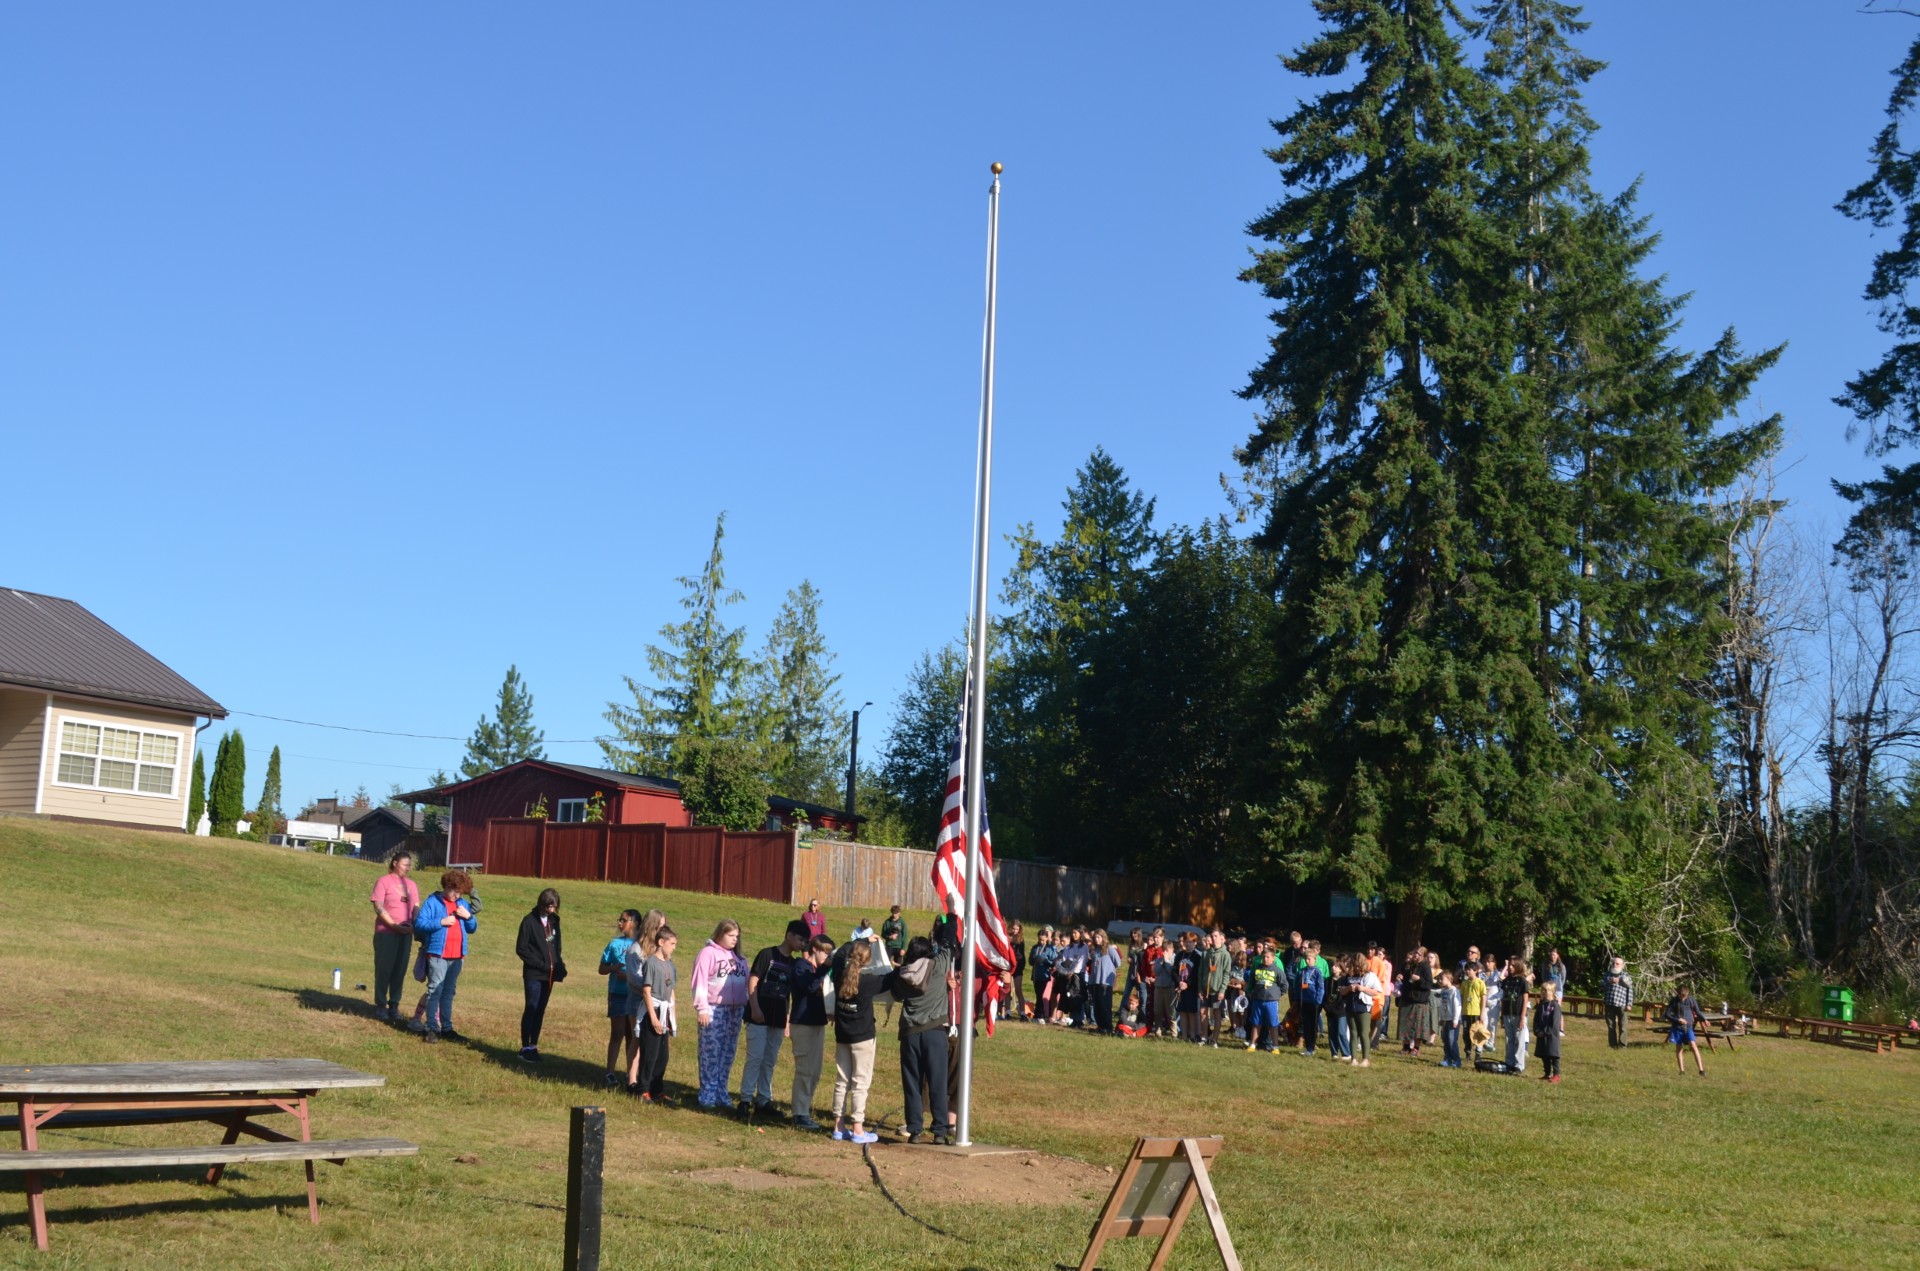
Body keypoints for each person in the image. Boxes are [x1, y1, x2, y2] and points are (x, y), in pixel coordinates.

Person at [885, 935, 956, 1145]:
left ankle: (915, 1130)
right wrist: (950, 916)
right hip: (934, 1032)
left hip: (909, 1034)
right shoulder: (937, 966)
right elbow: (949, 945)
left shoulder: (903, 974)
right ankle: (940, 1131)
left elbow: (896, 995)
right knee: (937, 1082)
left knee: (912, 1083)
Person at [741, 920, 808, 1115]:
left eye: (805, 941)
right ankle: (745, 1101)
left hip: (778, 1018)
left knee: (769, 1061)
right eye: (800, 939)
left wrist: (786, 1020)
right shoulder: (767, 954)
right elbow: (753, 980)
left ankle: (763, 1101)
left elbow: (788, 994)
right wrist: (754, 1008)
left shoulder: (794, 964)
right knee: (755, 1058)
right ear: (789, 935)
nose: (802, 944)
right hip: (758, 1016)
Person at [831, 935, 889, 1143]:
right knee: (860, 1082)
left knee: (842, 1081)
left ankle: (838, 1126)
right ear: (867, 961)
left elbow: (838, 954)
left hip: (842, 1035)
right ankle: (857, 1128)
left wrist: (862, 939)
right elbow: (892, 978)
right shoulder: (869, 981)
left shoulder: (838, 974)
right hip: (863, 1037)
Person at [691, 919, 749, 1109]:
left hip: (735, 1010)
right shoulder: (707, 954)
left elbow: (747, 984)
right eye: (730, 935)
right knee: (711, 1052)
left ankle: (721, 1092)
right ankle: (707, 1094)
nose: (734, 940)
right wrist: (702, 1008)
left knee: (727, 1053)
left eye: (736, 936)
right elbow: (699, 981)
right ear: (720, 934)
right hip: (714, 1009)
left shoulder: (739, 958)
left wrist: (746, 1006)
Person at [413, 870, 477, 1043]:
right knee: (435, 990)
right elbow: (419, 924)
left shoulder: (462, 903)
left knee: (448, 992)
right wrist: (441, 922)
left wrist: (469, 917)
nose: (457, 895)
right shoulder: (433, 902)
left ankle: (447, 1028)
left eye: (460, 892)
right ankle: (431, 1027)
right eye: (454, 891)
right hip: (438, 955)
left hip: (457, 956)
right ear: (446, 886)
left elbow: (472, 928)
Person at [788, 934, 835, 1130]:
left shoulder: (820, 970)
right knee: (805, 1070)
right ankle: (799, 1114)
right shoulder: (801, 966)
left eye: (830, 953)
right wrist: (825, 968)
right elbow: (809, 986)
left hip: (817, 1023)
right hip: (803, 1024)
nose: (827, 956)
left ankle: (804, 1110)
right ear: (815, 949)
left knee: (815, 1072)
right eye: (825, 951)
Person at [369, 849, 419, 1022]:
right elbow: (378, 906)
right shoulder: (383, 882)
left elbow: (416, 907)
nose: (407, 868)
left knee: (400, 969)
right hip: (387, 932)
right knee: (384, 968)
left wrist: (414, 924)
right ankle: (381, 1004)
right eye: (405, 864)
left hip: (406, 933)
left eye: (409, 865)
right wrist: (393, 925)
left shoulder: (411, 885)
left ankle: (394, 1004)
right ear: (395, 863)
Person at [515, 888, 565, 1062]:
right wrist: (541, 965)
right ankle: (525, 1046)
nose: (552, 910)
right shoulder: (529, 921)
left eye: (554, 906)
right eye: (549, 906)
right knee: (532, 1007)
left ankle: (534, 1045)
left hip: (549, 975)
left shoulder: (555, 922)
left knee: (540, 1010)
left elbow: (556, 946)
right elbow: (521, 949)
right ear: (542, 904)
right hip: (534, 973)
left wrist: (560, 965)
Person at [631, 926, 678, 1102]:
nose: (674, 947)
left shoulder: (670, 964)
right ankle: (642, 1090)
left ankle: (657, 1090)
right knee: (650, 1053)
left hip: (665, 1012)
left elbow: (671, 989)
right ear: (661, 942)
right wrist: (653, 1016)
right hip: (654, 1010)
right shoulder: (651, 963)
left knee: (662, 1056)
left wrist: (673, 1014)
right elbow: (646, 991)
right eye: (671, 944)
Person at [599, 910, 641, 1088]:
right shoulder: (614, 944)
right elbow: (602, 968)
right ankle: (609, 1072)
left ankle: (630, 1074)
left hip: (636, 995)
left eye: (624, 920)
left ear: (635, 923)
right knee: (617, 1033)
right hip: (617, 994)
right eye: (619, 920)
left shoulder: (641, 944)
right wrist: (614, 968)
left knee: (633, 1035)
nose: (619, 923)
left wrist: (630, 977)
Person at [1666, 982, 1709, 1076]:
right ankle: (1682, 1071)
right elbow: (1667, 1015)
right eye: (1681, 995)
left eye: (1684, 996)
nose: (1682, 997)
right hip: (1677, 1028)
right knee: (1679, 1048)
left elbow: (1697, 1012)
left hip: (1688, 1027)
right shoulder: (1674, 1001)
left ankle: (1701, 1070)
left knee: (1693, 1045)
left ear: (1687, 994)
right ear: (1677, 993)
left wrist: (1704, 1020)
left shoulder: (1691, 1000)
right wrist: (1677, 1020)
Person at [1246, 947, 1283, 1052]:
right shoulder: (1257, 968)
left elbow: (1284, 984)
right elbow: (1251, 982)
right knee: (1256, 1023)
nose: (1265, 959)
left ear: (1273, 958)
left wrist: (1277, 994)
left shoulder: (1277, 970)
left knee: (1273, 1024)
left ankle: (1275, 1046)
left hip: (1271, 1001)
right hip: (1258, 1000)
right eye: (1264, 957)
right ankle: (1252, 1044)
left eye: (1268, 957)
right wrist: (1250, 991)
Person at [1086, 929, 1123, 1035]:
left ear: (1103, 937)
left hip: (1105, 982)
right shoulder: (1093, 950)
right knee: (1097, 1005)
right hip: (1094, 981)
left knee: (1104, 1005)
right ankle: (1100, 1026)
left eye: (1099, 937)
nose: (1097, 939)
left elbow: (1118, 962)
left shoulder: (1109, 949)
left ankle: (1108, 1027)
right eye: (1095, 937)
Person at [1500, 956, 1531, 1074]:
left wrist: (1523, 1017)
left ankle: (1519, 1065)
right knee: (1509, 1039)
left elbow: (1525, 999)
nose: (1510, 968)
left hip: (1518, 1015)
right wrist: (1502, 1016)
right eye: (1509, 965)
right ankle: (1509, 1062)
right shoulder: (1507, 981)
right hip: (1507, 1013)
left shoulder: (1522, 981)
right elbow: (1503, 998)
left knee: (1519, 1039)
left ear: (1518, 966)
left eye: (1513, 966)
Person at [1399, 946, 1431, 1056]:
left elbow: (1429, 984)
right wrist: (1400, 976)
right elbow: (1403, 974)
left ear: (1424, 957)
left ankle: (1416, 1048)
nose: (1416, 956)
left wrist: (1419, 980)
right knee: (1406, 1024)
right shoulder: (1408, 965)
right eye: (1415, 953)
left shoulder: (1425, 967)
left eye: (1419, 954)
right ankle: (1406, 1046)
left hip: (1419, 1000)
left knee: (1418, 1026)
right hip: (1407, 997)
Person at [1176, 932, 1206, 1044]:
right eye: (1186, 942)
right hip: (1180, 988)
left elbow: (1196, 974)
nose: (1187, 944)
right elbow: (1174, 970)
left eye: (1190, 942)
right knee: (1182, 1012)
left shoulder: (1197, 957)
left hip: (1192, 989)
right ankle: (1184, 1035)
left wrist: (1187, 983)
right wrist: (1179, 983)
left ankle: (1193, 1035)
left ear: (1195, 943)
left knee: (1192, 1013)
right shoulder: (1180, 955)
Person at [1295, 944, 1324, 1057]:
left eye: (1309, 959)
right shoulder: (1301, 971)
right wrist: (1297, 998)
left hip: (1313, 1002)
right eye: (1305, 959)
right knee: (1305, 1024)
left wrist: (1318, 1001)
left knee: (1312, 1025)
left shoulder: (1317, 972)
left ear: (1314, 960)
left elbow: (1320, 987)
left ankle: (1312, 1046)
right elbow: (1297, 985)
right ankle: (1308, 1047)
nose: (1307, 961)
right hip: (1303, 1001)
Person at [1206, 930, 1232, 1048]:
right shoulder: (1209, 952)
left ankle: (1215, 1039)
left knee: (1216, 1014)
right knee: (1204, 1013)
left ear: (1221, 938)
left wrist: (1222, 990)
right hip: (1207, 988)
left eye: (1216, 936)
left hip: (1217, 990)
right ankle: (1205, 1036)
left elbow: (1227, 974)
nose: (1213, 938)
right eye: (1212, 936)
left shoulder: (1225, 954)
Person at [1533, 981, 1563, 1083]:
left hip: (1551, 1035)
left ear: (1552, 992)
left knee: (1553, 1055)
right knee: (1544, 1055)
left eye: (1546, 990)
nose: (1544, 992)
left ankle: (1556, 1075)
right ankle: (1547, 1073)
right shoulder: (1541, 1005)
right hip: (1541, 1035)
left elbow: (1555, 1022)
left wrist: (1546, 1032)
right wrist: (1537, 1031)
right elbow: (1536, 1020)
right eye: (1542, 990)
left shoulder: (1555, 1006)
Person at [1602, 956, 1634, 1049]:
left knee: (1623, 1026)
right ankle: (1613, 1045)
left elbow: (1630, 990)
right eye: (1613, 963)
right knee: (1611, 1026)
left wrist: (1629, 1004)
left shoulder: (1626, 976)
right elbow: (1601, 987)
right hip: (1609, 1003)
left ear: (1622, 965)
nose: (1615, 965)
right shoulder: (1607, 975)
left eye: (1617, 964)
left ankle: (1623, 1045)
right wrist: (1609, 981)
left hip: (1622, 1004)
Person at [1435, 971, 1463, 1068]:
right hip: (1445, 1020)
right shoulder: (1444, 991)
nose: (1440, 981)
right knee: (1445, 1040)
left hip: (1453, 1020)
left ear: (1449, 979)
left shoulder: (1454, 991)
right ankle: (1448, 1059)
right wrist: (1441, 1018)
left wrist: (1455, 1020)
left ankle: (1457, 1060)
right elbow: (1442, 1006)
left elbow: (1457, 1006)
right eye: (1439, 979)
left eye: (1441, 979)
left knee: (1452, 1040)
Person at [1459, 961, 1485, 1064]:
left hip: (1476, 1012)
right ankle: (1468, 1052)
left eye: (1469, 969)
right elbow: (1462, 997)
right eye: (1466, 969)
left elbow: (1483, 998)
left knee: (1477, 1032)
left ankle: (1478, 1053)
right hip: (1466, 1012)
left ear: (1475, 971)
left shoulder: (1480, 983)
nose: (1467, 971)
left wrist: (1482, 1013)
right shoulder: (1464, 983)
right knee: (1466, 1033)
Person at [1006, 921, 1028, 1022]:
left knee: (1018, 990)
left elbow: (1020, 955)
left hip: (1017, 967)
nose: (1015, 931)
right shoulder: (1007, 938)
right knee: (1007, 990)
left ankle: (1023, 1013)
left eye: (1017, 929)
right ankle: (1007, 1012)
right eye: (1013, 929)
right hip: (1008, 966)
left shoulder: (1020, 940)